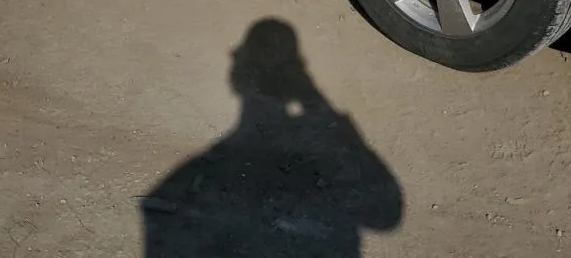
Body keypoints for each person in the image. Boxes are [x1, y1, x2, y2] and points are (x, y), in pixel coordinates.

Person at [140, 19, 402, 257]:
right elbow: (386, 214)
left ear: (237, 76)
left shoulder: (181, 185)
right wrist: (314, 99)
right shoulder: (186, 183)